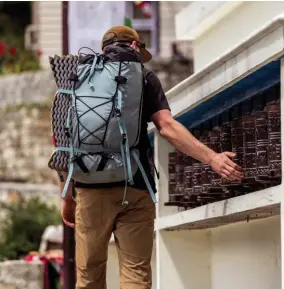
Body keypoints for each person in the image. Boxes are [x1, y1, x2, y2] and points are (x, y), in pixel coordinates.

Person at [58, 26, 243, 289]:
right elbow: (167, 127)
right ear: (134, 46)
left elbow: (66, 143)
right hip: (136, 186)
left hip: (90, 189)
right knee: (136, 273)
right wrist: (212, 158)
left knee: (89, 276)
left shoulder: (80, 79)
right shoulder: (142, 77)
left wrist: (66, 195)